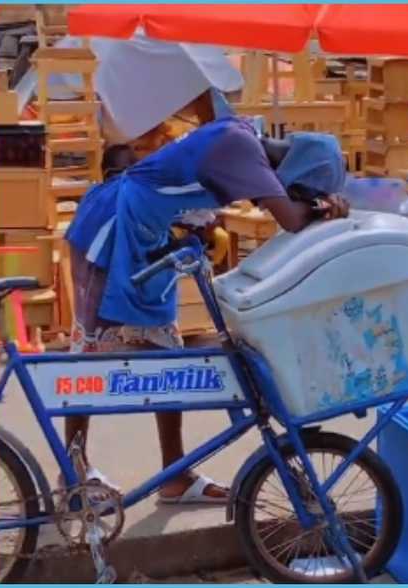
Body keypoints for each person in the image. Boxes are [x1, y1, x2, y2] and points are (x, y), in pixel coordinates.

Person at [63, 115, 350, 503]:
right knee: (89, 359)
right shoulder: (241, 148)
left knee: (168, 353)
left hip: (145, 236)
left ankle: (175, 475)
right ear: (296, 179)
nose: (290, 196)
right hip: (108, 232)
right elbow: (291, 219)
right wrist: (324, 208)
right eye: (299, 191)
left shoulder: (244, 137)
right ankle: (73, 476)